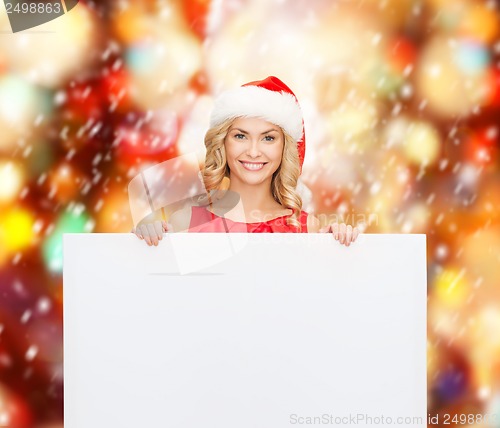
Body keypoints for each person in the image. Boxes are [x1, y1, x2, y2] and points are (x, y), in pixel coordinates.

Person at [133, 76, 359, 246]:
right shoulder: (186, 222)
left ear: (284, 149)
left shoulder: (306, 228)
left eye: (268, 138)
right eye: (240, 136)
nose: (253, 151)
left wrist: (340, 249)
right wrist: (144, 245)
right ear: (223, 142)